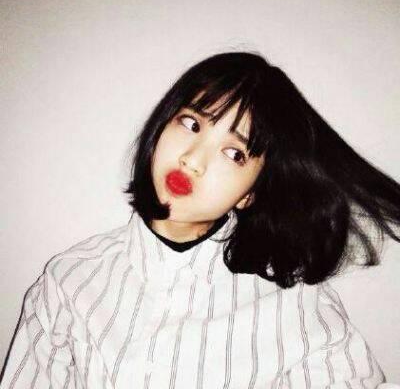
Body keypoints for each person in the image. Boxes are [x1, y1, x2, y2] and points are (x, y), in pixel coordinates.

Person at [1, 52, 400, 389]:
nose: (192, 159)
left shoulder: (296, 304)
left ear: (250, 193)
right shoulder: (68, 284)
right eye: (191, 123)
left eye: (234, 153)